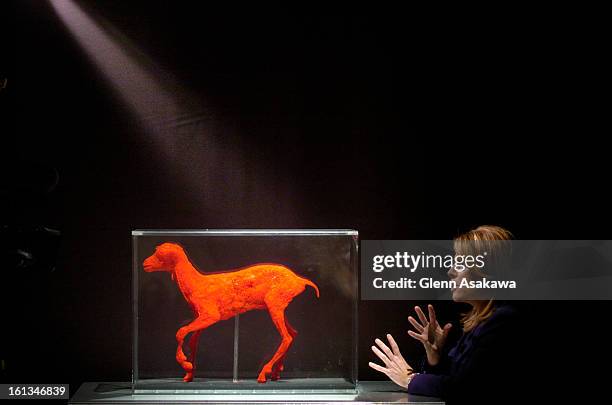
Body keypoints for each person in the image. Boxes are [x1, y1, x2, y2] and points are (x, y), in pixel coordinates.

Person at [368, 225, 523, 403]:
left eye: (461, 263)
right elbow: (459, 378)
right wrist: (436, 358)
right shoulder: (481, 323)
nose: (451, 272)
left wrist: (410, 379)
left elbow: (463, 389)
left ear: (487, 271)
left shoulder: (503, 322)